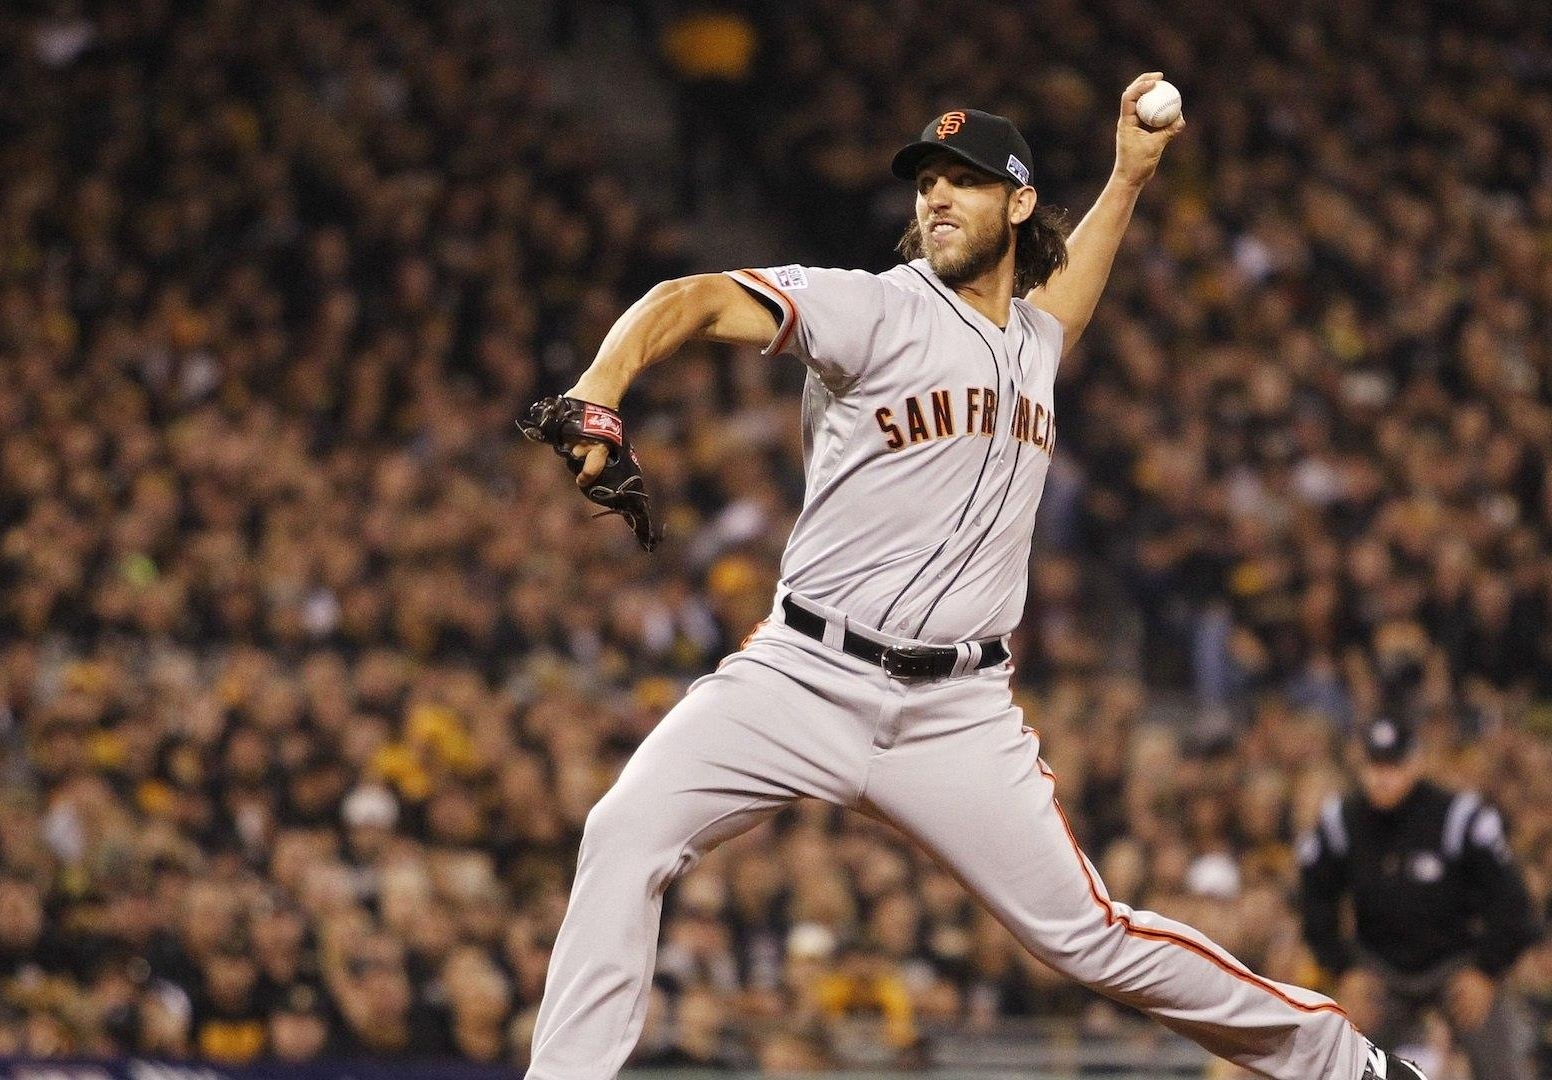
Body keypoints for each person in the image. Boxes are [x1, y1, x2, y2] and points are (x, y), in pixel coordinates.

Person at [522, 74, 1421, 1080]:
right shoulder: (876, 310)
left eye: (967, 180)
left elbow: (1061, 304)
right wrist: (600, 384)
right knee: (624, 831)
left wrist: (1127, 174)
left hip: (957, 712)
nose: (937, 197)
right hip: (801, 676)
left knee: (1089, 935)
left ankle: (1350, 1068)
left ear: (1021, 204)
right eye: (928, 181)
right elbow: (690, 299)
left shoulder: (1032, 340)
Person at [1299, 718, 1540, 1079]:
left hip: (1456, 964)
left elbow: (1512, 903)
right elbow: (1314, 898)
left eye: (1394, 765)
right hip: (1376, 968)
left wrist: (1487, 970)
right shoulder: (1341, 820)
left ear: (1417, 762)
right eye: (1375, 765)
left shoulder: (1460, 816)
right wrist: (1342, 968)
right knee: (1337, 1062)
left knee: (1504, 1067)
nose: (1383, 777)